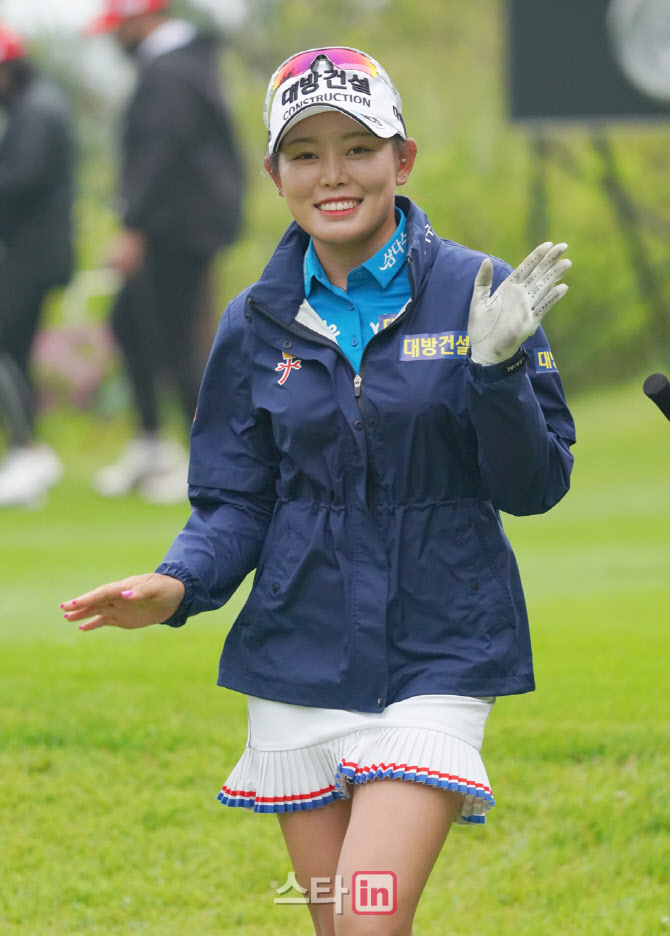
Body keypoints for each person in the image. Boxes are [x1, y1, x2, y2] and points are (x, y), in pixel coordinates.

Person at [62, 47, 575, 935]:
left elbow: (534, 488)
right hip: (298, 654)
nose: (333, 175)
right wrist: (179, 583)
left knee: (369, 919)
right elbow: (236, 500)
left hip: (440, 649)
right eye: (305, 154)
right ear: (275, 175)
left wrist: (496, 375)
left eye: (358, 148)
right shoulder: (252, 319)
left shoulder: (483, 291)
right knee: (340, 926)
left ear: (402, 159)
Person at [85, 0, 246, 503]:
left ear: (142, 19)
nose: (114, 39)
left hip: (177, 228)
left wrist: (135, 227)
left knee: (183, 346)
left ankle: (210, 461)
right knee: (130, 324)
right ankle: (153, 444)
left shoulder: (170, 71)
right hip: (172, 224)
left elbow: (161, 153)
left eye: (118, 28)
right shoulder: (177, 64)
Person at [0, 22, 74, 507]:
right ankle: (27, 450)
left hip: (33, 254)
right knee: (14, 348)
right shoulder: (33, 106)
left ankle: (26, 449)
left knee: (5, 343)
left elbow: (19, 180)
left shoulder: (37, 111)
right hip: (33, 252)